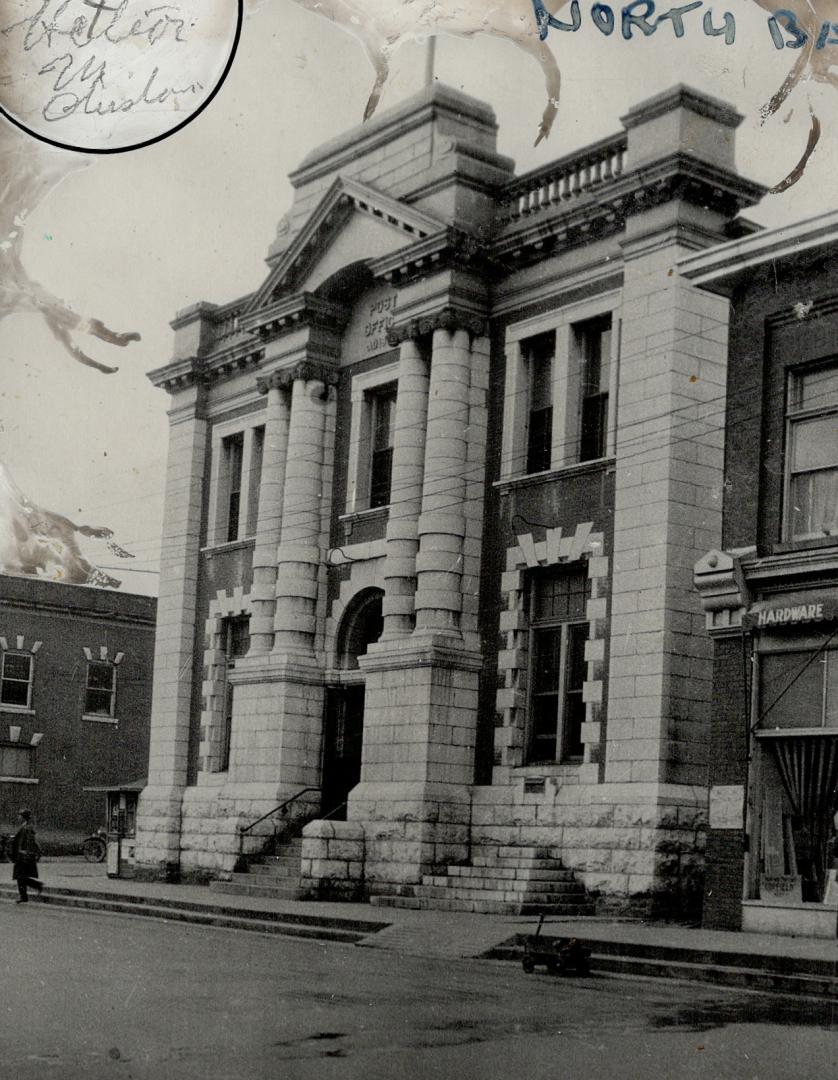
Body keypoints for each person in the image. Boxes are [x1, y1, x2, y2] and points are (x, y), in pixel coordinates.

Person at [10, 809, 43, 903]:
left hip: (24, 855)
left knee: (20, 876)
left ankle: (36, 886)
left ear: (23, 817)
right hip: (21, 854)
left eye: (20, 815)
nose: (18, 817)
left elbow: (29, 840)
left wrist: (26, 851)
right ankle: (24, 895)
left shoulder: (28, 827)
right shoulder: (25, 826)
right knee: (20, 876)